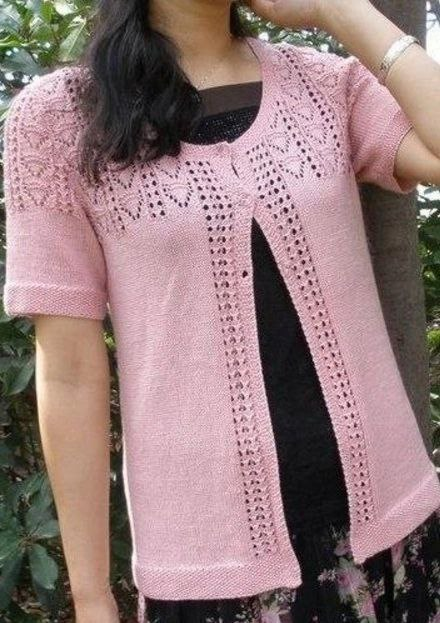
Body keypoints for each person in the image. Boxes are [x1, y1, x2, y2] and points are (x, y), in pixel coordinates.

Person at [3, 0, 440, 622]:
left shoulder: (323, 85)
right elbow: (69, 371)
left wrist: (337, 10)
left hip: (394, 527)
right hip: (211, 567)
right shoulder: (59, 119)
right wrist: (93, 596)